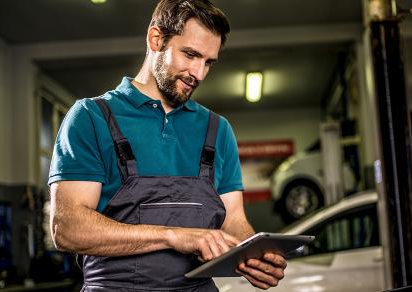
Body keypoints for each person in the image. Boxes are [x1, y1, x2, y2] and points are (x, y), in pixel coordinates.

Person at [48, 0, 287, 291]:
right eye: (190, 54)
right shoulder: (91, 117)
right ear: (156, 39)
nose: (198, 73)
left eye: (208, 62)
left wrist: (253, 254)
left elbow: (233, 219)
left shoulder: (217, 129)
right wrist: (173, 235)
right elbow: (68, 228)